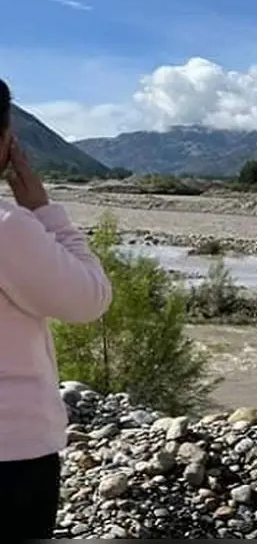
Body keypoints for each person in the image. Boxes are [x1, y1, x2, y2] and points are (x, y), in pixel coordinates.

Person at [0, 78, 113, 539]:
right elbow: (89, 299)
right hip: (11, 459)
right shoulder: (8, 229)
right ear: (6, 142)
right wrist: (45, 213)